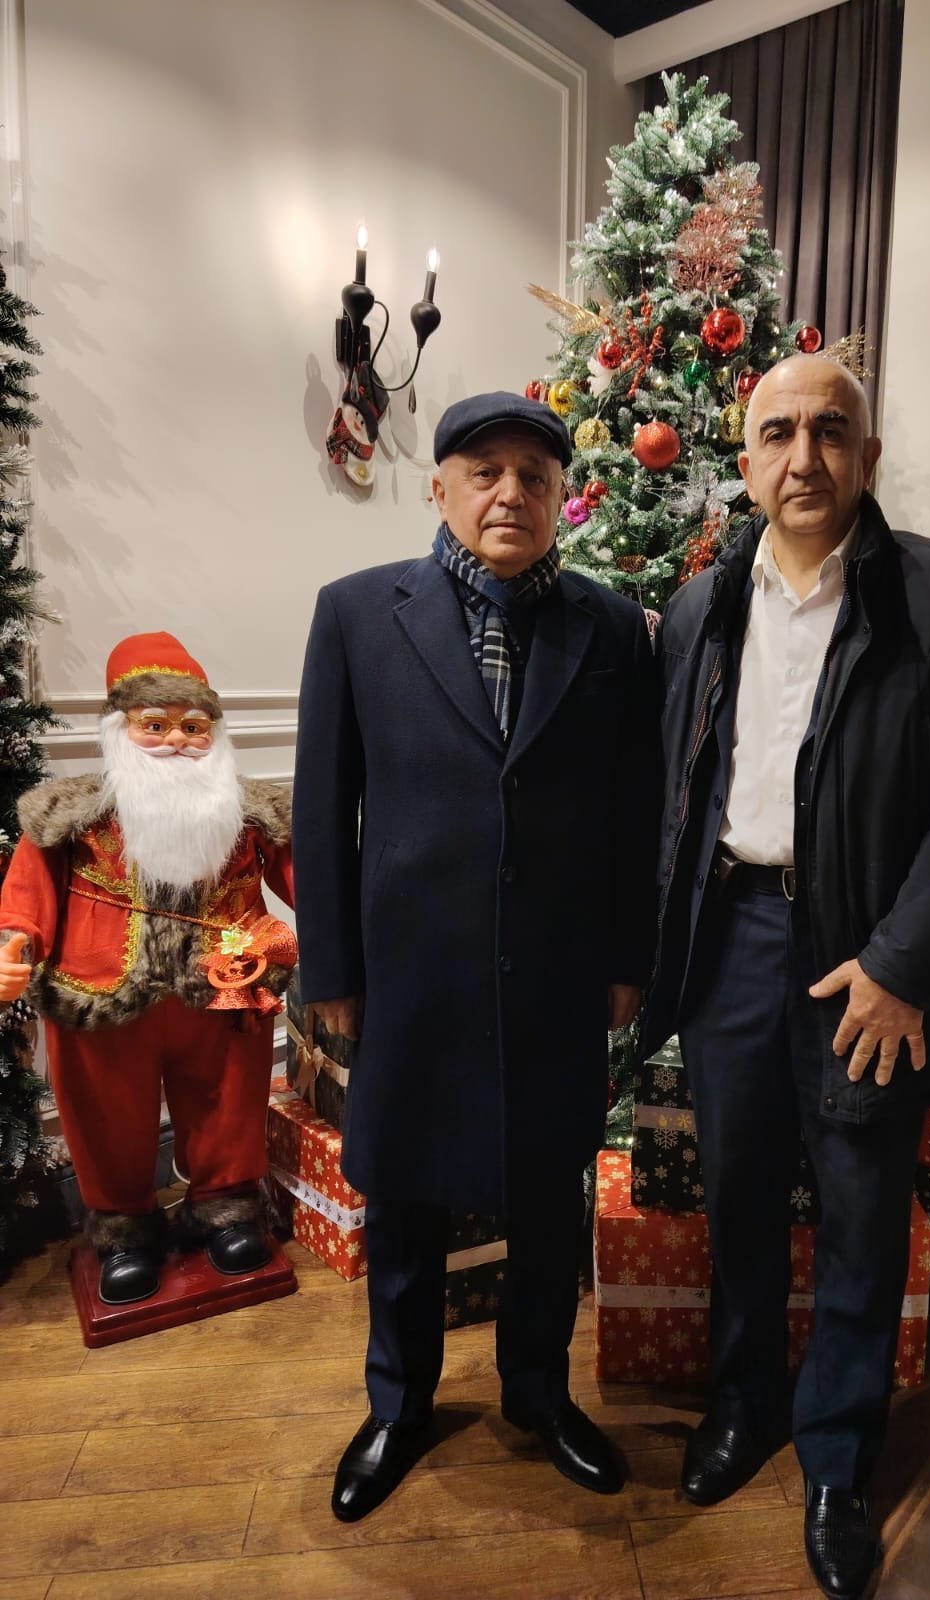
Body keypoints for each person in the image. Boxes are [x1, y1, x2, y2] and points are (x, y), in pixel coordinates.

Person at [642, 354, 930, 1600]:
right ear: (745, 458)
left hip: (868, 962)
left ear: (868, 456)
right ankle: (746, 1404)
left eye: (830, 430)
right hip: (732, 943)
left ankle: (837, 1459)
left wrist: (902, 964)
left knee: (862, 1215)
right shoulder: (701, 606)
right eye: (778, 432)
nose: (803, 456)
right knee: (740, 1194)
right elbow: (675, 789)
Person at [292, 391, 661, 1522]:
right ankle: (398, 1405)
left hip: (555, 973)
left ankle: (539, 1394)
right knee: (403, 1198)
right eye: (485, 472)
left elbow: (634, 809)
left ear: (561, 498)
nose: (511, 493)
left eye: (534, 477)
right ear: (439, 488)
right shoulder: (357, 613)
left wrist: (626, 957)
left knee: (550, 1194)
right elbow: (324, 805)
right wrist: (332, 971)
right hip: (411, 976)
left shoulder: (613, 629)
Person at [0, 632, 295, 1304]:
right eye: (154, 725)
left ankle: (225, 1208)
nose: (176, 741)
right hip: (101, 996)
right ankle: (123, 1229)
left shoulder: (255, 813)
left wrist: (360, 929)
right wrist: (14, 944)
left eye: (193, 726)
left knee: (228, 1101)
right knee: (106, 1116)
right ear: (120, 728)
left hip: (226, 986)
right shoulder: (69, 815)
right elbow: (27, 894)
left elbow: (314, 885)